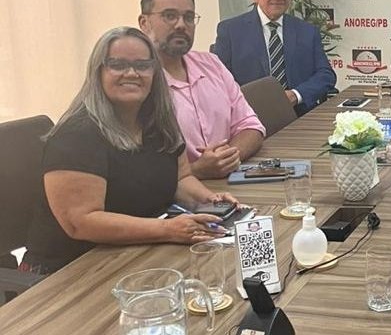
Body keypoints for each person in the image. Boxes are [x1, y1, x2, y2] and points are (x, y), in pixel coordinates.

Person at [23, 28, 241, 274]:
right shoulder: (75, 135)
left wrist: (209, 200)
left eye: (142, 65)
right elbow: (80, 222)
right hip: (67, 271)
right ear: (98, 71)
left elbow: (180, 178)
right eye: (117, 65)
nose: (131, 73)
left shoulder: (159, 123)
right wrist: (168, 230)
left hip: (138, 253)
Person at [139, 0, 265, 179]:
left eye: (189, 17)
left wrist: (227, 158)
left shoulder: (211, 64)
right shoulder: (135, 82)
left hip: (230, 183)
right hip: (174, 194)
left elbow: (250, 125)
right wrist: (197, 170)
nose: (181, 25)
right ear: (144, 23)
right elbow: (133, 173)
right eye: (169, 16)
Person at [213, 0, 337, 116]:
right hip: (248, 116)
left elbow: (326, 74)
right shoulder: (230, 30)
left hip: (299, 114)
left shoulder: (307, 31)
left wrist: (296, 95)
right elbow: (219, 78)